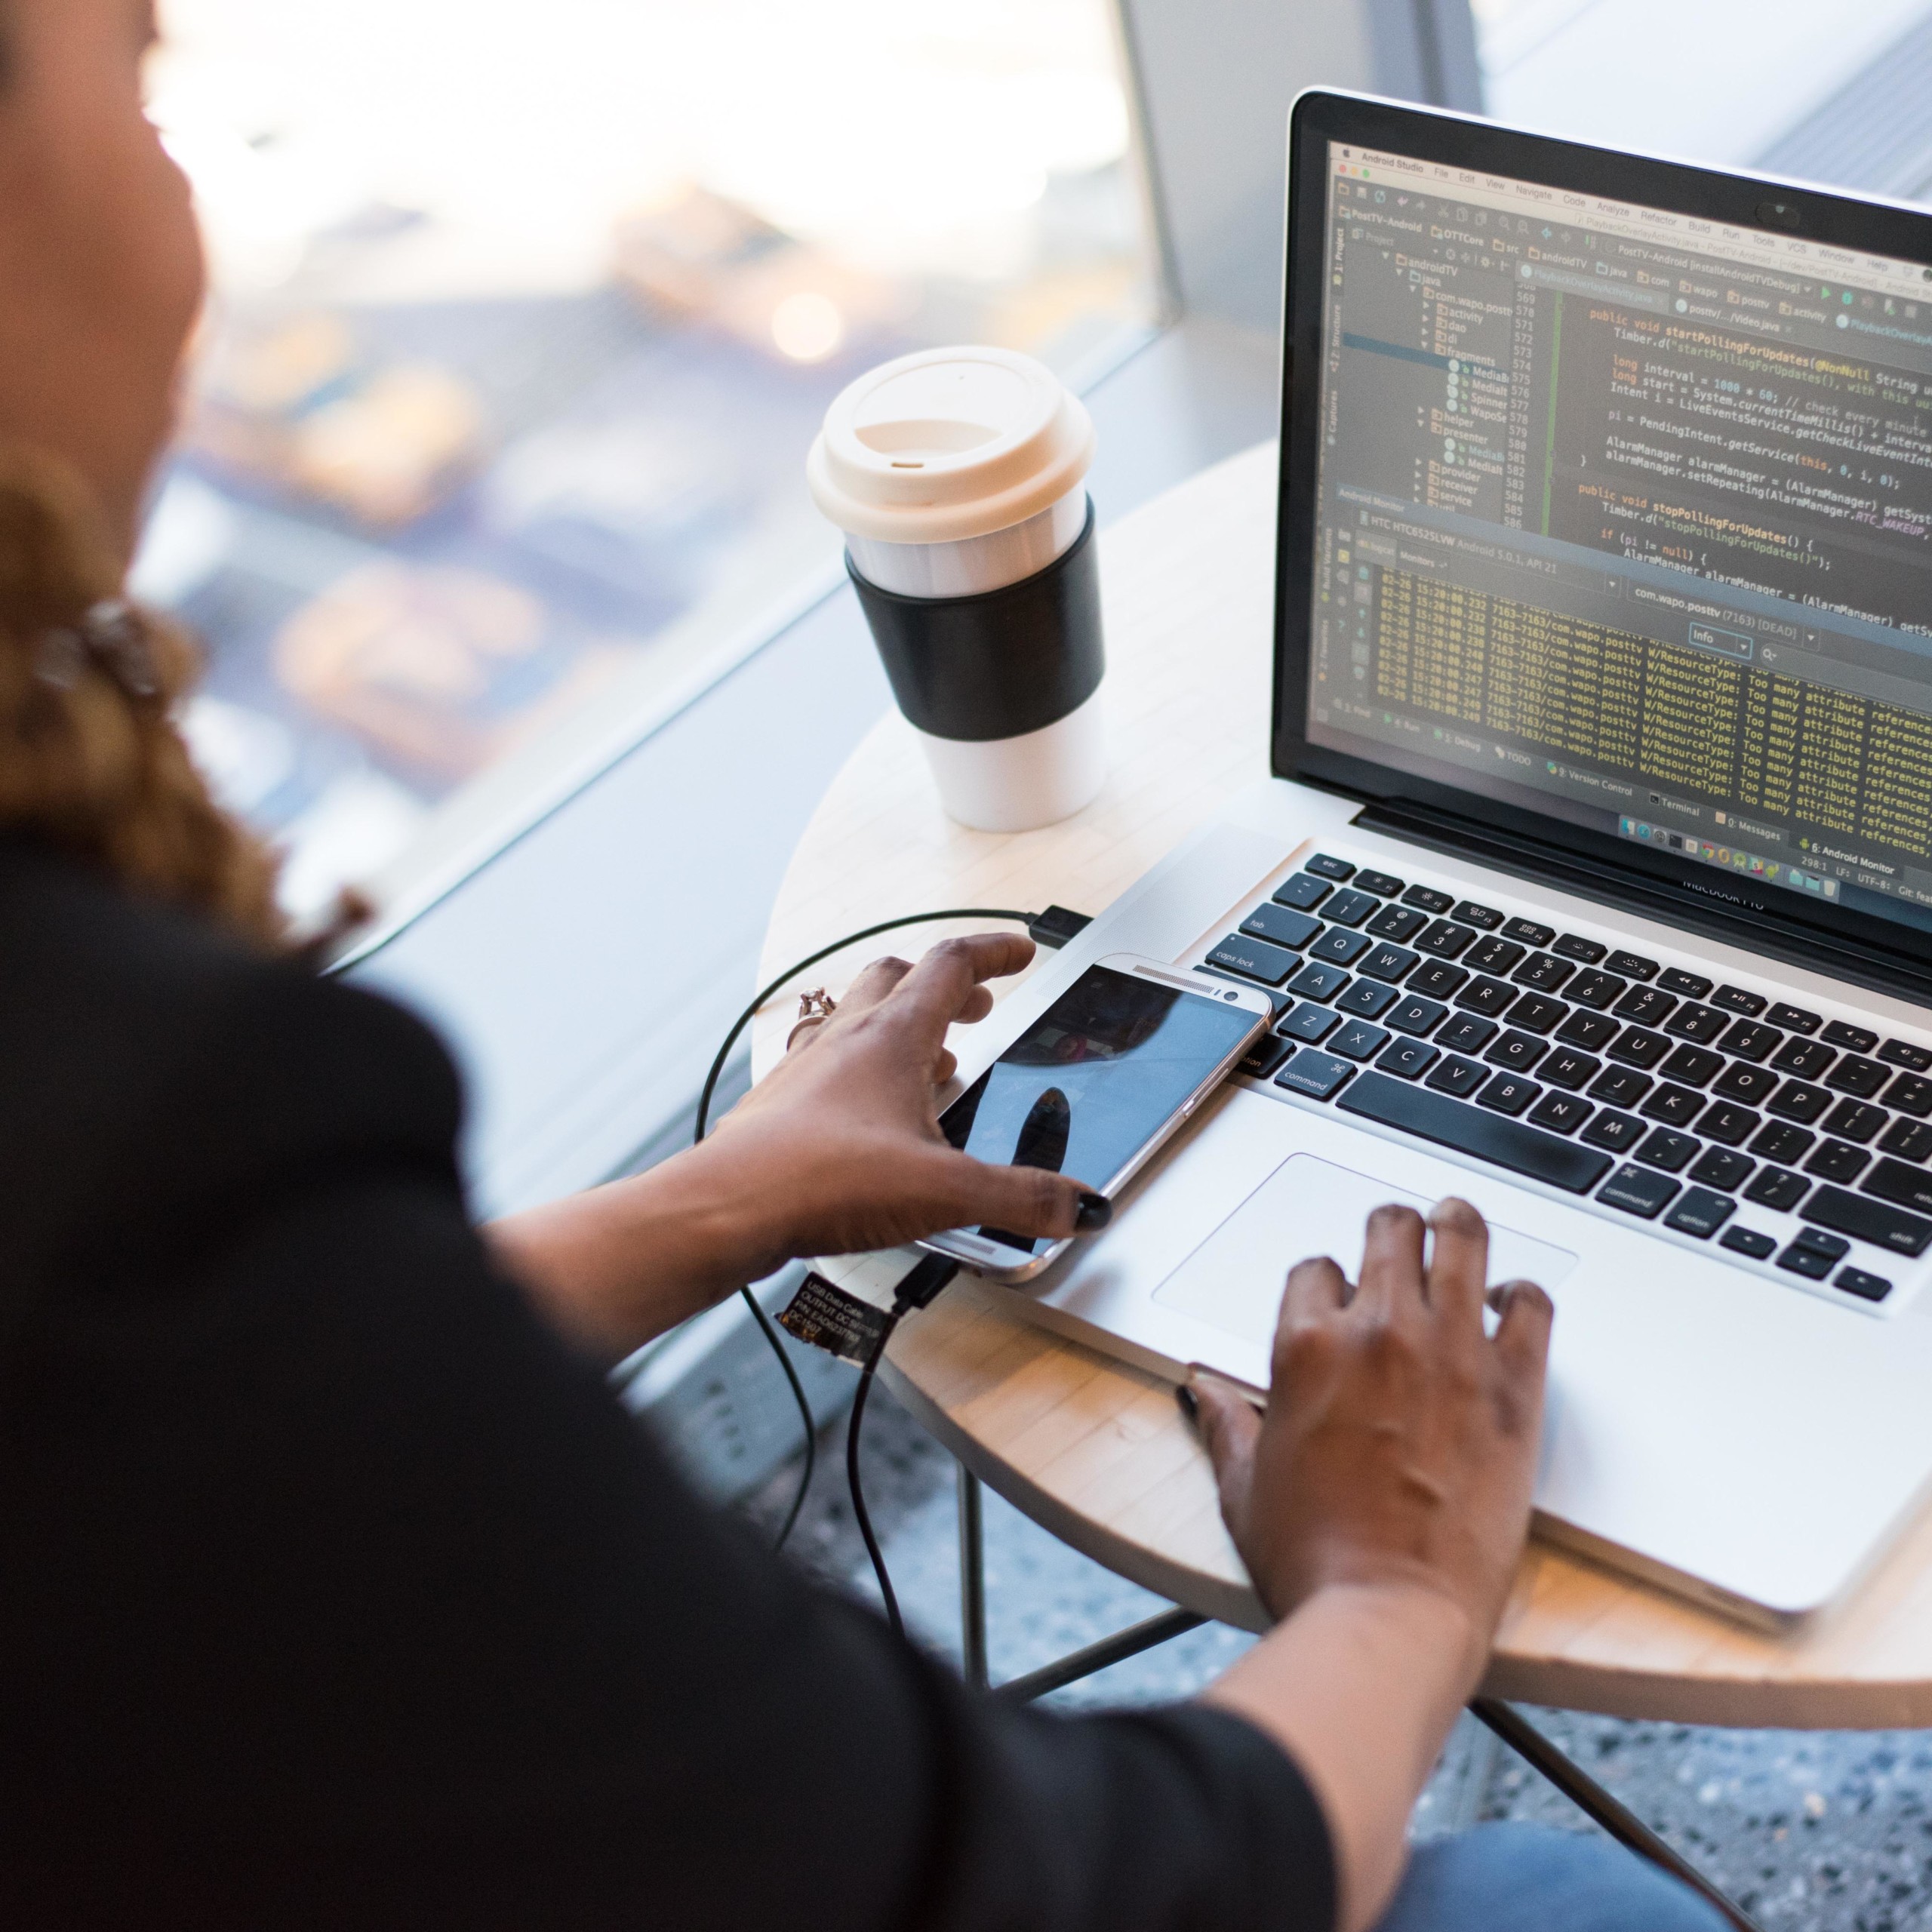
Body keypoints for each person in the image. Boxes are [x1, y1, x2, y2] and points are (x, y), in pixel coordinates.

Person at [0, 3, 1732, 1927]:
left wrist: (723, 1196)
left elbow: (221, 1394)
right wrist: (1396, 1591)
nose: (171, 162)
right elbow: (1027, 1885)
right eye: (135, 83)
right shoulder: (138, 1114)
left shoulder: (127, 1187)